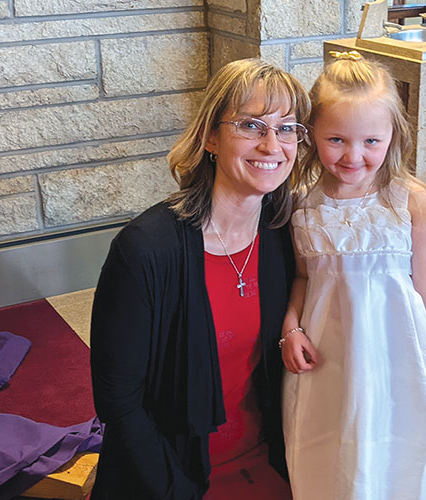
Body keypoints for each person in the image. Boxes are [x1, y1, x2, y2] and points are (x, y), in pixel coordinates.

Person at [89, 58, 310, 500]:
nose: (272, 145)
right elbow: (120, 404)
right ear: (211, 136)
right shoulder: (145, 249)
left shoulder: (285, 232)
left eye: (287, 128)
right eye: (251, 126)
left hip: (271, 460)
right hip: (173, 474)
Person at [279, 51, 426, 500]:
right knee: (334, 450)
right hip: (331, 358)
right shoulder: (301, 204)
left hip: (400, 355)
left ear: (394, 136)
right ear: (312, 133)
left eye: (371, 141)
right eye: (336, 139)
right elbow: (302, 278)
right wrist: (290, 328)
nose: (354, 156)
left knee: (405, 448)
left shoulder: (408, 200)